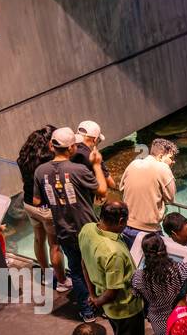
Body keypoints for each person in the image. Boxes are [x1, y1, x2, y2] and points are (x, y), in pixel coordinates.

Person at [34, 126, 106, 320]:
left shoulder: (40, 171)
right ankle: (105, 305)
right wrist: (97, 165)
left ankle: (87, 310)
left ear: (51, 146)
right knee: (96, 267)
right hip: (88, 229)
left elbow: (36, 201)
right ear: (72, 148)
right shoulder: (79, 169)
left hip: (63, 228)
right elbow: (102, 191)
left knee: (76, 269)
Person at [79, 201, 144, 335]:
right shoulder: (113, 252)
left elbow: (84, 262)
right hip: (126, 308)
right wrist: (98, 302)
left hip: (106, 304)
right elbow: (112, 292)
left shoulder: (87, 229)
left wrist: (92, 295)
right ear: (121, 220)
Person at [17, 126, 70, 296]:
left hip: (28, 204)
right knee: (55, 245)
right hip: (47, 208)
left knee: (39, 238)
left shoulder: (24, 156)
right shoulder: (48, 160)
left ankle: (46, 275)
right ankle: (62, 281)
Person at [119, 138, 178, 247]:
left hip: (126, 227)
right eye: (171, 158)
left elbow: (121, 187)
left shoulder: (134, 163)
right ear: (161, 156)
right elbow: (171, 198)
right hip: (148, 232)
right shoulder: (163, 168)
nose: (173, 161)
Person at [74, 120, 116, 196]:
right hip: (86, 198)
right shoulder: (93, 156)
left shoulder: (70, 150)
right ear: (95, 139)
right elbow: (110, 183)